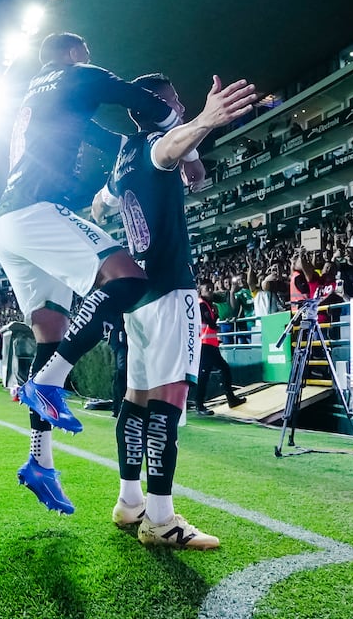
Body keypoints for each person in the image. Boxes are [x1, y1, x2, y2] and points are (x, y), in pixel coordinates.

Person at [0, 32, 182, 514]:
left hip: (3, 224)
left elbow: (102, 137)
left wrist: (130, 150)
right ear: (73, 53)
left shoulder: (35, 95)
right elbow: (149, 106)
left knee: (49, 335)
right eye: (87, 54)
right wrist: (181, 133)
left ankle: (40, 461)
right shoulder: (79, 75)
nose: (91, 59)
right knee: (127, 278)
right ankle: (49, 382)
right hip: (36, 211)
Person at [91, 71, 257, 548]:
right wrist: (205, 120)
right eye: (172, 100)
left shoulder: (124, 154)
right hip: (168, 287)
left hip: (138, 294)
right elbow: (166, 150)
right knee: (168, 399)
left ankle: (129, 501)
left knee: (136, 398)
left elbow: (104, 203)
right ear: (153, 107)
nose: (178, 106)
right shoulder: (154, 144)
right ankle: (161, 518)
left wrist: (192, 145)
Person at [197, 281, 247, 415]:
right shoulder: (202, 304)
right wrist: (216, 314)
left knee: (220, 370)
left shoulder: (207, 304)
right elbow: (211, 323)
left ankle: (230, 398)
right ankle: (200, 405)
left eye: (211, 288)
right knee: (206, 374)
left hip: (210, 344)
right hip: (205, 345)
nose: (210, 291)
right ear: (200, 291)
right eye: (207, 289)